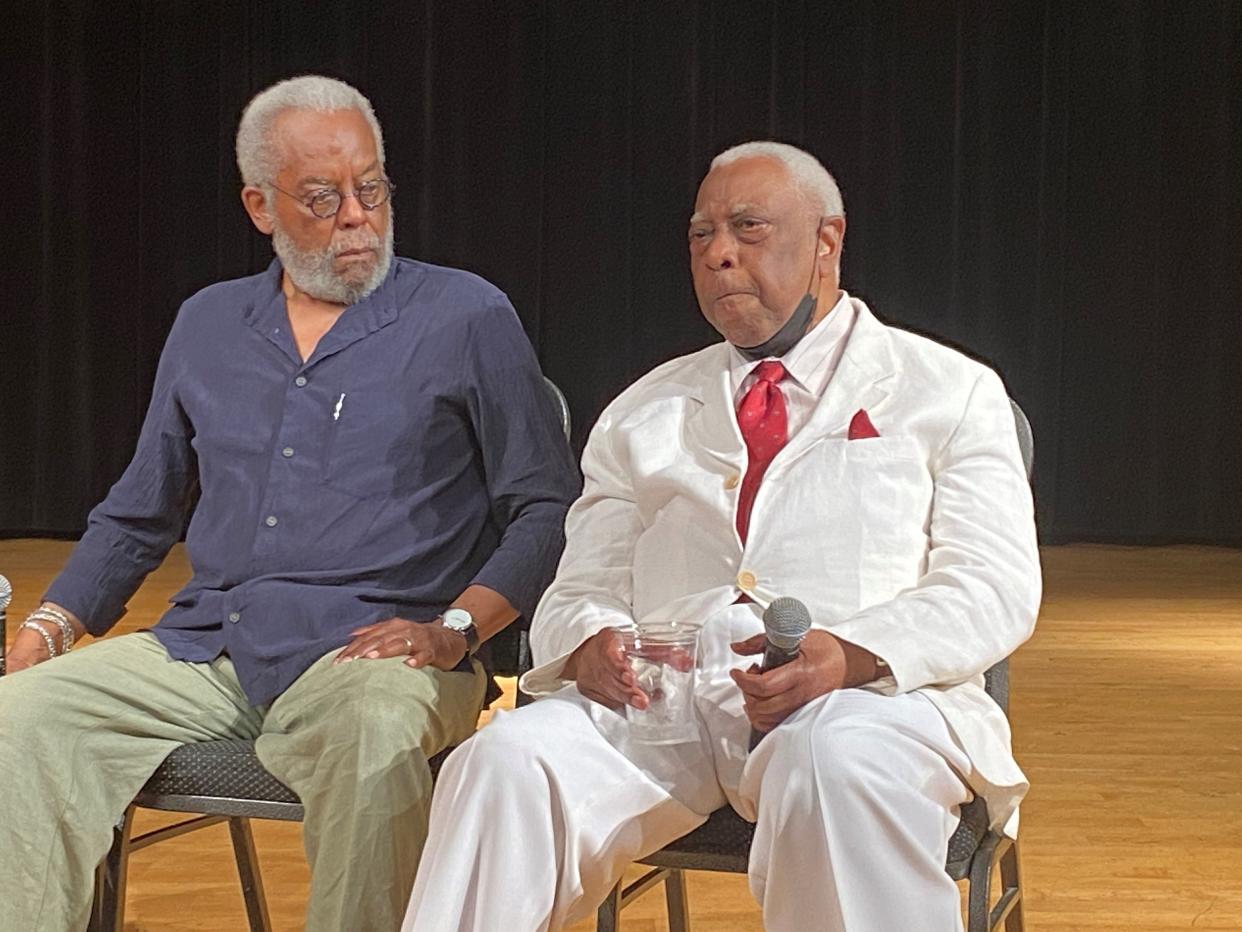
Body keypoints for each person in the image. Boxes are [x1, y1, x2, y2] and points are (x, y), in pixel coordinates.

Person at [404, 141, 1040, 931]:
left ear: (826, 242)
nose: (721, 254)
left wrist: (853, 654)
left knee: (833, 763)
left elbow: (993, 586)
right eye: (702, 235)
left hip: (865, 703)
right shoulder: (644, 408)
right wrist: (587, 643)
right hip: (661, 705)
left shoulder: (949, 390)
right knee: (501, 765)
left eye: (748, 227)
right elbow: (580, 584)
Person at [0, 75, 578, 932]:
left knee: (376, 730)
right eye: (322, 197)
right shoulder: (208, 323)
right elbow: (140, 508)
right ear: (260, 206)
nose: (357, 216)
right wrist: (46, 629)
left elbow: (546, 506)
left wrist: (456, 629)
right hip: (215, 646)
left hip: (385, 653)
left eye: (370, 188)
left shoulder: (464, 315)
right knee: (21, 717)